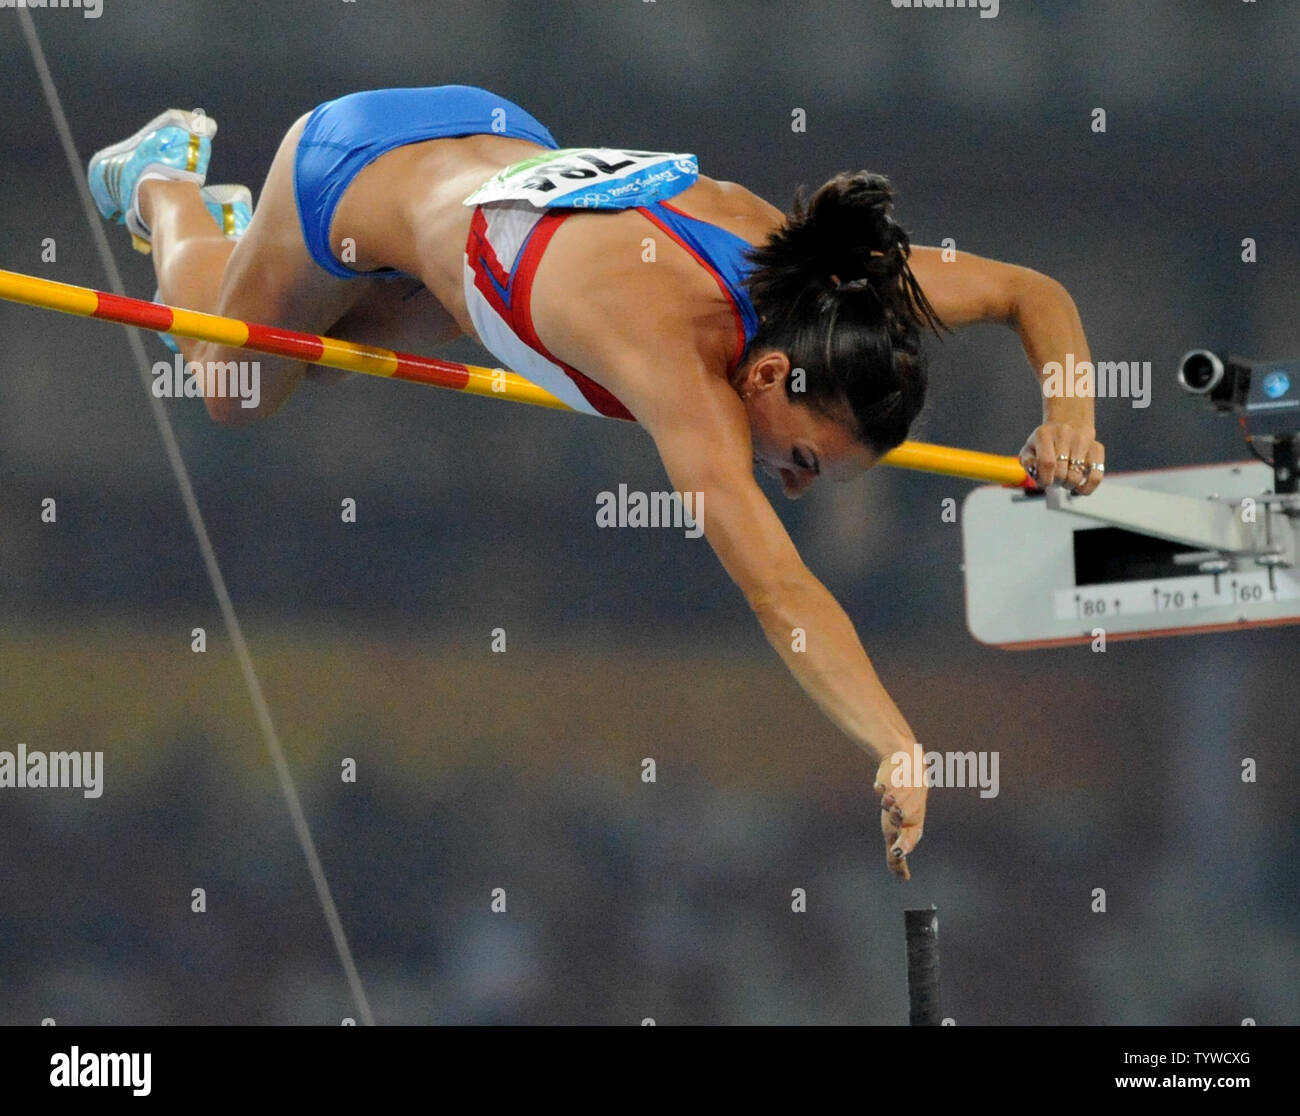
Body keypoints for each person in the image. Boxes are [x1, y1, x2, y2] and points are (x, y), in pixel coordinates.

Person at [88, 86, 1106, 878]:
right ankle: (168, 185)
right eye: (799, 458)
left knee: (336, 340)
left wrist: (1069, 420)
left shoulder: (826, 287)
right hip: (349, 170)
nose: (791, 487)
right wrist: (895, 742)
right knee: (235, 380)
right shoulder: (673, 367)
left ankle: (248, 255)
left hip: (486, 156)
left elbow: (1033, 293)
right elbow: (780, 593)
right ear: (762, 376)